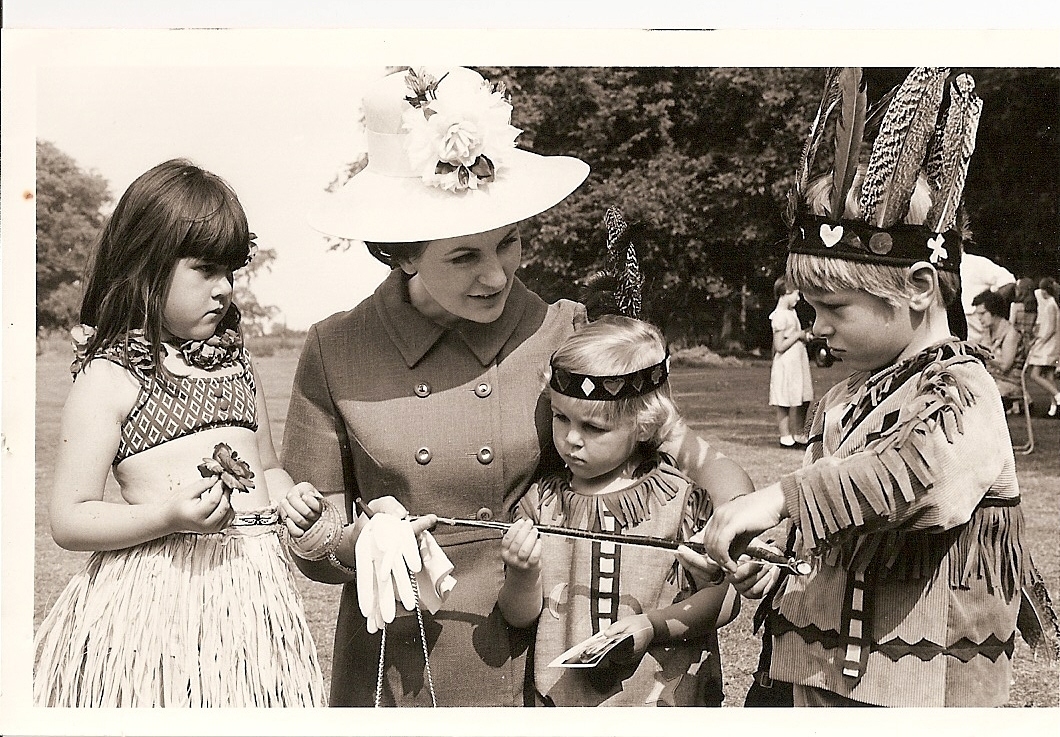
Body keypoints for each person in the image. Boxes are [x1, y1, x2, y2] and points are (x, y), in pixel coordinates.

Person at [278, 66, 755, 707]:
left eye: (509, 243)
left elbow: (676, 446)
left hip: (550, 665)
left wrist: (735, 525)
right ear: (403, 253)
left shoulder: (562, 331)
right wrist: (360, 543)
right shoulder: (337, 349)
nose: (498, 276)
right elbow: (310, 542)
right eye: (464, 257)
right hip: (405, 663)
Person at [683, 67, 1033, 707]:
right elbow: (831, 528)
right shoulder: (844, 398)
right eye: (810, 310)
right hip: (807, 676)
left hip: (912, 693)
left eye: (834, 308)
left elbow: (916, 481)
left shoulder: (965, 392)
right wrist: (765, 555)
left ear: (919, 289)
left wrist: (779, 500)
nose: (816, 329)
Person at [33, 160, 326, 707]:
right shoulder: (110, 377)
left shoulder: (235, 362)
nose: (225, 290)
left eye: (232, 272)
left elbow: (265, 468)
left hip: (253, 596)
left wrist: (292, 498)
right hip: (164, 601)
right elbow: (69, 517)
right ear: (147, 266)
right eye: (207, 270)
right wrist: (165, 517)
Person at [497, 315, 740, 706]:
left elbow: (726, 604)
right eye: (560, 418)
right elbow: (518, 616)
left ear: (643, 426)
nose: (571, 440)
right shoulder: (541, 504)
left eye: (593, 428)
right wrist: (524, 574)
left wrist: (661, 620)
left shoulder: (680, 502)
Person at [768, 276, 814, 447]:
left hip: (797, 362)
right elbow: (779, 346)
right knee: (785, 400)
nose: (798, 298)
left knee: (803, 398)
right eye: (796, 294)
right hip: (787, 364)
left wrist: (804, 337)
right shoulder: (779, 316)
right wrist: (798, 335)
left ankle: (800, 434)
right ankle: (785, 437)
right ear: (786, 292)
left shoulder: (791, 313)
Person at [971, 288, 1024, 406]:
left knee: (975, 392)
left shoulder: (1010, 333)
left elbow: (1005, 365)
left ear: (994, 312)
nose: (979, 318)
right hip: (992, 379)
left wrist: (981, 352)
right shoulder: (988, 330)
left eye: (982, 313)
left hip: (1009, 382)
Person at [960, 251, 1015, 345]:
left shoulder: (976, 263)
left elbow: (1008, 281)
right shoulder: (940, 264)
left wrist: (990, 305)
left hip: (976, 321)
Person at [1026, 276, 1060, 416]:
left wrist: (1039, 340)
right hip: (1051, 343)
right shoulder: (1050, 303)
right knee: (1049, 376)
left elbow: (1051, 328)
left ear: (1047, 291)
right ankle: (1054, 407)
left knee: (1035, 374)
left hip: (1048, 344)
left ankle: (1058, 396)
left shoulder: (1051, 305)